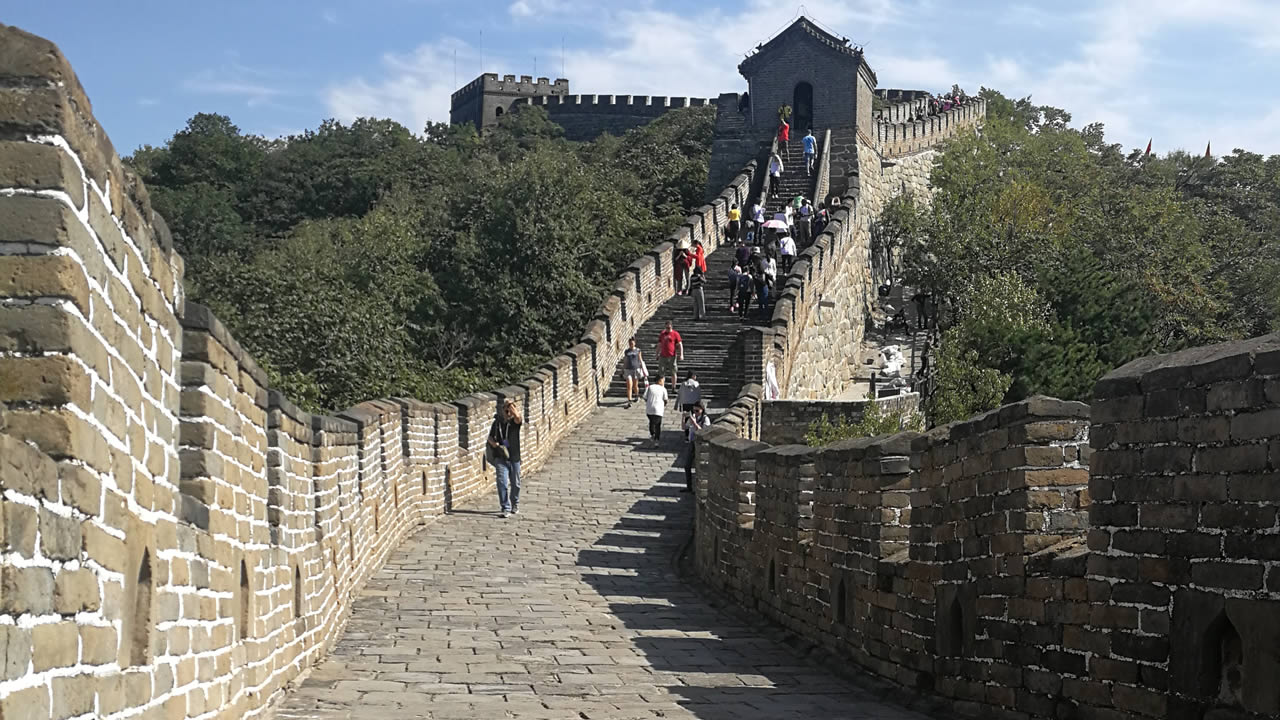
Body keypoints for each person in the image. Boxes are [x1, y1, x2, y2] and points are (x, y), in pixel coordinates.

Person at [488, 398, 523, 518]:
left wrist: (511, 405)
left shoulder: (514, 423)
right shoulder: (497, 423)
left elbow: (518, 417)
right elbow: (490, 437)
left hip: (514, 457)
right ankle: (505, 507)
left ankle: (515, 503)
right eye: (506, 411)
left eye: (510, 411)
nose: (508, 413)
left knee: (516, 483)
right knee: (502, 482)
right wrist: (494, 444)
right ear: (502, 410)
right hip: (500, 456)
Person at [681, 403, 710, 492]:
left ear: (702, 410)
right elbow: (684, 427)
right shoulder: (693, 417)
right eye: (694, 410)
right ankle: (689, 487)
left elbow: (704, 432)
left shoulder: (705, 419)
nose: (695, 412)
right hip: (692, 443)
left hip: (701, 444)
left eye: (697, 411)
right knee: (687, 465)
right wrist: (683, 418)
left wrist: (694, 423)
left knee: (699, 467)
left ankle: (698, 488)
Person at [657, 320, 683, 388]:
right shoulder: (662, 334)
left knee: (673, 372)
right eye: (666, 328)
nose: (668, 329)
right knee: (662, 373)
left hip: (672, 356)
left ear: (671, 327)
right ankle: (662, 388)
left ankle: (673, 387)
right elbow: (659, 344)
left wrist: (681, 354)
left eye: (669, 328)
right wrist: (657, 354)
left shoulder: (675, 334)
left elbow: (680, 344)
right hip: (663, 356)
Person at [643, 376, 668, 447]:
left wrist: (649, 402)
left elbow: (645, 397)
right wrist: (664, 404)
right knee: (658, 425)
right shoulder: (663, 389)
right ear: (659, 380)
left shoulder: (650, 387)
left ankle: (652, 434)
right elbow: (665, 399)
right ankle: (656, 439)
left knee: (652, 421)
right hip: (659, 409)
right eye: (663, 380)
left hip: (649, 408)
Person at [622, 338, 644, 409]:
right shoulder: (626, 351)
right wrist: (623, 369)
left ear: (634, 343)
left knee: (635, 385)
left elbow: (640, 359)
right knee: (629, 385)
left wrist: (642, 367)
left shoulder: (638, 350)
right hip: (628, 369)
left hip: (635, 369)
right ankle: (629, 400)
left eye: (632, 343)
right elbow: (625, 360)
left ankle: (637, 395)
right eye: (630, 343)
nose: (631, 345)